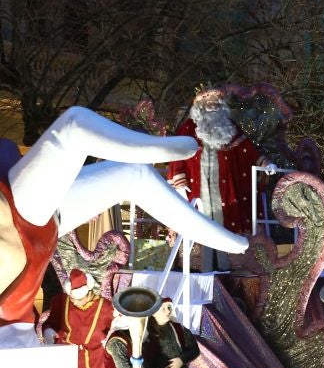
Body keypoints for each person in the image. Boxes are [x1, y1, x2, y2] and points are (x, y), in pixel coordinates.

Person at [0, 106, 248, 348]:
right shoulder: (57, 304)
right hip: (28, 226)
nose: (80, 296)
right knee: (90, 142)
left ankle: (220, 234)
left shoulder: (75, 304)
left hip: (28, 224)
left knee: (123, 167)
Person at [167, 87, 276, 270]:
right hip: (197, 190)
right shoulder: (188, 128)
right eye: (208, 101)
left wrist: (265, 164)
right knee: (198, 224)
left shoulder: (230, 127)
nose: (212, 104)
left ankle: (230, 267)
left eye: (216, 101)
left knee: (226, 225)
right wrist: (179, 180)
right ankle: (199, 267)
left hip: (227, 194)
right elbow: (177, 153)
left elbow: (247, 151)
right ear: (199, 105)